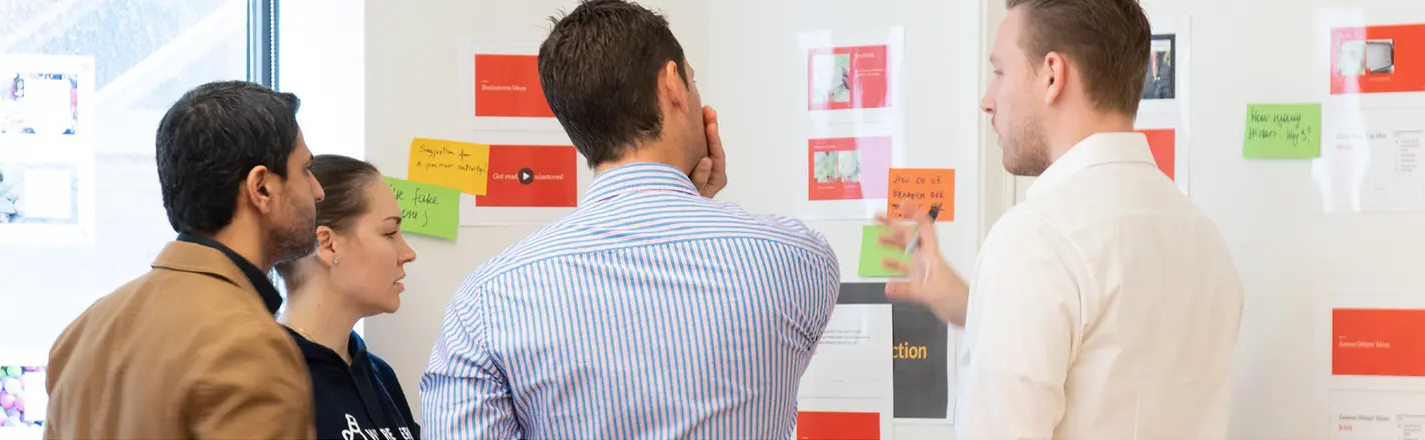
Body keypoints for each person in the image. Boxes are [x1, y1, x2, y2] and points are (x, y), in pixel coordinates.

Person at [419, 1, 840, 438]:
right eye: (693, 81)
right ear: (672, 83)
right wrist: (696, 204)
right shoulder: (799, 259)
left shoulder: (485, 302)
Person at [876, 0, 1244, 438]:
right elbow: (1110, 360)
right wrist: (975, 306)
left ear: (1053, 75)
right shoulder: (1203, 238)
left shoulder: (1034, 241)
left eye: (1000, 72)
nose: (988, 100)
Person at [45, 81, 322, 439]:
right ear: (262, 188)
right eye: (306, 170)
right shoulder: (248, 344)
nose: (318, 191)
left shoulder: (85, 331)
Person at [274, 154, 421, 440]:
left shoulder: (380, 374)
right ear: (328, 244)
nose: (408, 254)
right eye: (390, 233)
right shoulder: (271, 378)